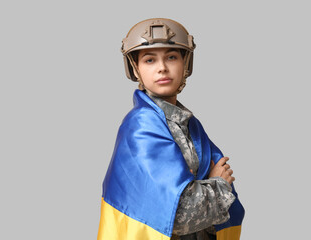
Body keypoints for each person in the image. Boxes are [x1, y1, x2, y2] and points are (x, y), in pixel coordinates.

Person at [97, 18, 245, 240]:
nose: (162, 68)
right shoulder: (141, 127)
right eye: (149, 60)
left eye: (172, 57)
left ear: (185, 64)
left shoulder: (189, 125)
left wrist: (207, 192)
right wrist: (219, 185)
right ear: (135, 69)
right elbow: (178, 215)